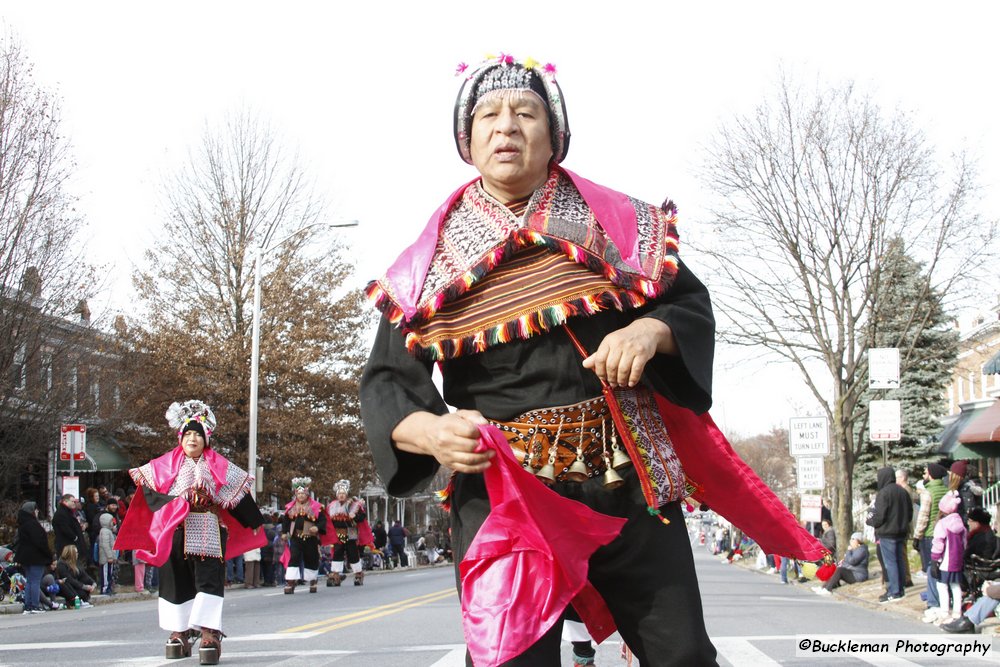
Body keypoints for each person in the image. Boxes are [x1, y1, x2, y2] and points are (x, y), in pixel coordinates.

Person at [359, 53, 823, 665]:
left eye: (526, 113)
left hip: (626, 474)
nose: (507, 127)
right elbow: (389, 381)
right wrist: (433, 431)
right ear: (465, 140)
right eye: (489, 116)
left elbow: (690, 307)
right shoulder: (427, 266)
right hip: (504, 492)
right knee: (509, 660)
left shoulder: (620, 227)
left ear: (554, 137)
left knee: (680, 654)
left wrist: (651, 332)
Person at [114, 399, 264, 664]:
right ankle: (179, 632)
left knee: (208, 581)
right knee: (174, 580)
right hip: (173, 530)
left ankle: (209, 633)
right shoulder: (163, 466)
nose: (192, 438)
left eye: (198, 433)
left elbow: (237, 497)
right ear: (180, 437)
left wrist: (253, 521)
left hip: (207, 528)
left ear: (206, 438)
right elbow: (148, 500)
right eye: (188, 433)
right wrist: (169, 510)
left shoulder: (218, 465)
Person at [866, 465, 912, 603]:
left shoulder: (884, 493)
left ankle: (894, 591)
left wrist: (871, 522)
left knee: (890, 563)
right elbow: (909, 512)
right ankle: (901, 588)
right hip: (901, 532)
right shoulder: (903, 492)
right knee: (899, 561)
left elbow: (879, 515)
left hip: (887, 533)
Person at [280, 477, 329, 594]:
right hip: (296, 537)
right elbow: (286, 521)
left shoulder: (316, 507)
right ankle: (291, 581)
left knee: (311, 558)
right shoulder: (290, 507)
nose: (301, 496)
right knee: (294, 557)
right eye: (299, 493)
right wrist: (283, 533)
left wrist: (317, 527)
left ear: (307, 494)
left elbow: (322, 520)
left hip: (310, 537)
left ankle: (312, 580)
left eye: (303, 493)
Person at [927, 491, 968, 623]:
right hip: (957, 561)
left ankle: (945, 611)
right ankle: (957, 612)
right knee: (955, 585)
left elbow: (938, 542)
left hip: (945, 561)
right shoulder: (960, 524)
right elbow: (965, 543)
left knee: (942, 585)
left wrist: (935, 558)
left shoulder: (942, 524)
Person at [915, 462, 949, 619]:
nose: (924, 475)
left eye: (926, 472)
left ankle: (933, 601)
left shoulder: (927, 492)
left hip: (930, 534)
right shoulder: (946, 490)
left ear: (931, 474)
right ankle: (945, 599)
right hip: (946, 533)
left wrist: (917, 536)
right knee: (943, 567)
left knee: (931, 568)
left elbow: (923, 516)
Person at [326, 479, 374, 586]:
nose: (341, 496)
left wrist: (355, 516)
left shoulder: (354, 504)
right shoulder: (332, 506)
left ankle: (358, 573)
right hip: (338, 534)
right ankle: (336, 574)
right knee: (337, 553)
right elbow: (328, 521)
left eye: (343, 493)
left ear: (346, 494)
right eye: (339, 494)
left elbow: (362, 517)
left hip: (351, 532)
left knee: (352, 553)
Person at [14, 500, 53, 614]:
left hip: (25, 557)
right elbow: (40, 542)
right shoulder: (33, 524)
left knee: (30, 582)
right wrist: (48, 555)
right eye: (35, 510)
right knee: (35, 581)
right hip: (36, 557)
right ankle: (34, 605)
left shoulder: (23, 524)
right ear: (31, 511)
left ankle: (28, 605)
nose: (37, 512)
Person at [949, 460, 983, 525]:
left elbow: (968, 510)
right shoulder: (958, 487)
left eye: (951, 473)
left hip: (964, 525)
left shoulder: (965, 489)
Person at [53, 494, 87, 558]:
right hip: (67, 547)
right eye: (72, 501)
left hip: (71, 546)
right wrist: (75, 538)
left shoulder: (69, 512)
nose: (74, 503)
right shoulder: (62, 513)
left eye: (75, 502)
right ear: (65, 502)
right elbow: (65, 528)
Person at [97, 512, 118, 595]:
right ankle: (104, 589)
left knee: (109, 573)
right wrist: (110, 556)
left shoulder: (108, 531)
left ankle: (109, 588)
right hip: (105, 558)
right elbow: (105, 545)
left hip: (109, 557)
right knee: (105, 573)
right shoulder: (105, 531)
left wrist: (113, 556)